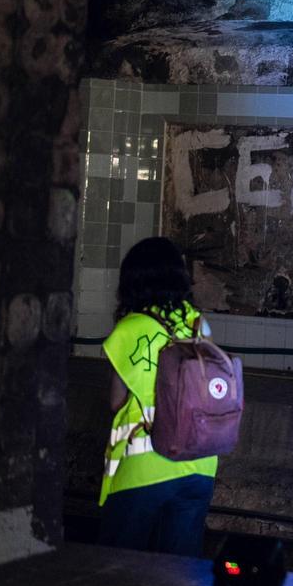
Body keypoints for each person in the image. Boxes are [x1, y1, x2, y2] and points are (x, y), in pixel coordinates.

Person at [98, 237, 217, 555]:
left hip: (145, 466)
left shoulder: (129, 329)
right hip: (200, 466)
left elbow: (116, 402)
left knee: (118, 568)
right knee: (178, 576)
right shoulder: (197, 324)